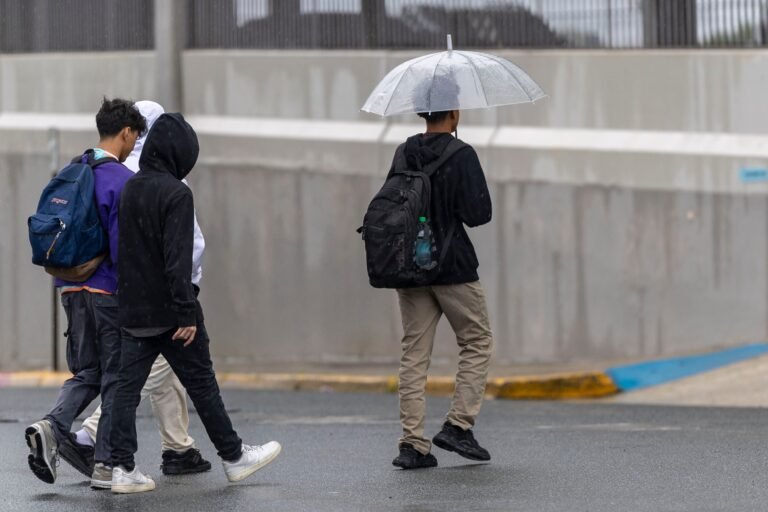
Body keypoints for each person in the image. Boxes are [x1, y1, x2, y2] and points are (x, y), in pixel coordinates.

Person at [108, 112, 281, 494]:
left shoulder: (130, 188)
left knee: (125, 390)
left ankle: (122, 468)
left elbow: (126, 251)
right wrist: (185, 311)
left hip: (134, 310)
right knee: (202, 385)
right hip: (172, 312)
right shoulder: (177, 193)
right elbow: (178, 259)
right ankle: (234, 457)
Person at [67, 101, 211, 490]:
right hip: (160, 294)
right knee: (151, 368)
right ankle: (91, 433)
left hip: (104, 288)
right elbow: (189, 247)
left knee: (161, 370)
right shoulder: (167, 180)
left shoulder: (112, 170)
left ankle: (178, 449)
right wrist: (187, 295)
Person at [25, 98, 146, 485]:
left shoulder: (70, 170)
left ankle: (52, 425)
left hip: (69, 288)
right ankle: (107, 465)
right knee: (115, 376)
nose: (134, 145)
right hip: (106, 290)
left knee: (88, 371)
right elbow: (122, 247)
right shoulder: (122, 180)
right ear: (125, 132)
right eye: (135, 137)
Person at [389, 104, 494, 470]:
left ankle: (412, 444)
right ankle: (458, 426)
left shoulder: (404, 151)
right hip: (453, 267)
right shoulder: (462, 154)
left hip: (410, 267)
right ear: (454, 113)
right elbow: (479, 214)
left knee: (414, 353)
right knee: (476, 340)